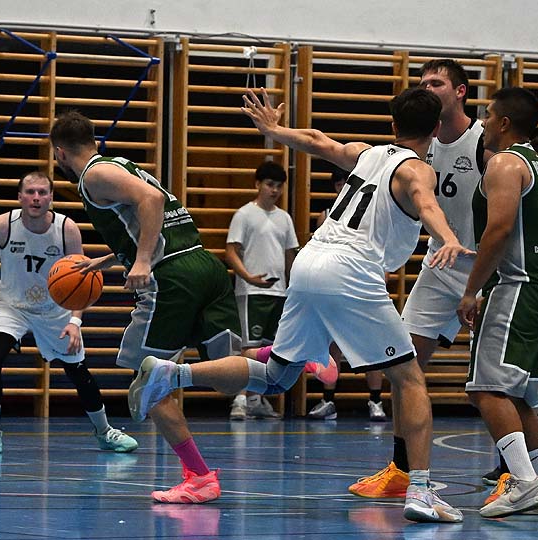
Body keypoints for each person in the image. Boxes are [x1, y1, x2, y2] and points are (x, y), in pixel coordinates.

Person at [128, 86, 471, 523]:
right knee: (409, 378)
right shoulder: (417, 169)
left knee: (277, 376)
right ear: (437, 130)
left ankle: (172, 373)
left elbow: (317, 141)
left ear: (392, 125)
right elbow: (425, 202)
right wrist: (449, 238)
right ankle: (420, 491)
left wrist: (274, 130)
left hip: (310, 261)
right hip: (351, 268)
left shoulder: (367, 154)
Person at [50, 112, 245, 504]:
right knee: (231, 377)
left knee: (148, 380)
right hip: (201, 264)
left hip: (170, 277)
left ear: (60, 153)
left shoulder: (93, 175)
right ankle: (296, 357)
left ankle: (199, 477)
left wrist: (140, 261)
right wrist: (113, 258)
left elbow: (151, 200)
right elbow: (150, 217)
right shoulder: (119, 163)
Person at [349, 58, 488, 496]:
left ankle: (514, 471)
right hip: (439, 264)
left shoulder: (484, 141)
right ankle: (401, 469)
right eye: (423, 82)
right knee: (402, 365)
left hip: (486, 268)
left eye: (437, 83)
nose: (427, 88)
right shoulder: (415, 147)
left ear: (460, 91)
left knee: (495, 380)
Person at [0, 171, 138, 454]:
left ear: (51, 197)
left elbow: (82, 276)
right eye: (30, 192)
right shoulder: (2, 226)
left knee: (78, 371)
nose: (36, 198)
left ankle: (105, 431)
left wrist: (75, 321)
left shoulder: (66, 229)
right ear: (20, 196)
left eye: (42, 192)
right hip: (11, 306)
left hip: (55, 309)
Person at [457, 87, 538, 518]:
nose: (483, 122)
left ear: (505, 122)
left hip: (519, 285)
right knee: (519, 397)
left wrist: (471, 289)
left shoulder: (505, 163)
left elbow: (500, 228)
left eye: (488, 115)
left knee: (486, 389)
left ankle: (523, 482)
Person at [308, 167, 386, 422]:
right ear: (336, 186)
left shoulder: (369, 213)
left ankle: (376, 401)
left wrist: (380, 280)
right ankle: (328, 400)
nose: (344, 187)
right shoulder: (326, 216)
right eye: (340, 183)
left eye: (348, 182)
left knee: (371, 347)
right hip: (334, 288)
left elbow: (381, 252)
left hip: (362, 288)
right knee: (332, 347)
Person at [227, 160, 299, 420]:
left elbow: (290, 255)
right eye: (270, 184)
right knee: (248, 348)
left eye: (279, 186)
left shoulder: (284, 218)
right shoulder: (244, 214)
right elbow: (231, 251)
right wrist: (248, 277)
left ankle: (255, 399)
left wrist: (294, 288)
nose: (274, 190)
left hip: (278, 293)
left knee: (267, 350)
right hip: (251, 293)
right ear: (258, 184)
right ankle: (239, 400)